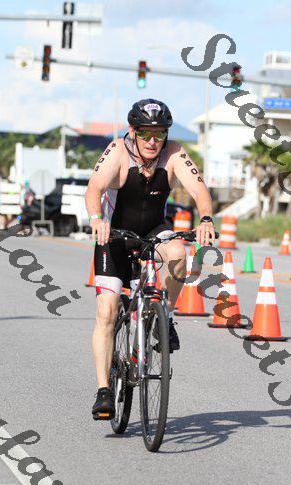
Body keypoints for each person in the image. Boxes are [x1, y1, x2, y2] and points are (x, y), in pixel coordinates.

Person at [85, 99, 215, 420]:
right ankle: (104, 391)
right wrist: (96, 219)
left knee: (178, 254)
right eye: (145, 133)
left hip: (154, 231)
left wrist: (206, 219)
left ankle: (163, 316)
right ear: (133, 131)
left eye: (159, 134)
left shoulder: (174, 153)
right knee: (106, 312)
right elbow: (94, 188)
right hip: (114, 236)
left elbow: (199, 190)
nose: (153, 141)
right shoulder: (117, 150)